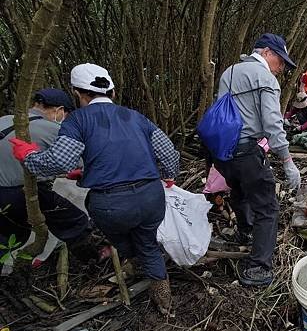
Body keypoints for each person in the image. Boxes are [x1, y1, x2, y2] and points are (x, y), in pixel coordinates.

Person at [10, 64, 180, 313]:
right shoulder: (136, 117)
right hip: (151, 197)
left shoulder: (77, 120)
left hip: (111, 206)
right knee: (148, 241)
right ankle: (163, 299)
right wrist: (166, 177)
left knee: (123, 237)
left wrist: (29, 157)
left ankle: (132, 258)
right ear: (112, 91)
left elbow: (58, 162)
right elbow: (169, 156)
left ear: (78, 94)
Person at [213, 33, 300, 287]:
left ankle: (246, 231)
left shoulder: (229, 72)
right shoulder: (265, 78)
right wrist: (286, 160)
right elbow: (272, 123)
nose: (282, 68)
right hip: (248, 151)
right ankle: (259, 267)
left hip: (223, 152)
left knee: (239, 192)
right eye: (280, 61)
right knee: (268, 208)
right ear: (266, 53)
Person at [0, 89, 93, 257]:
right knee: (74, 220)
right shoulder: (53, 128)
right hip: (15, 193)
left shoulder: (5, 120)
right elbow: (82, 161)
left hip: (6, 192)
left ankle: (11, 275)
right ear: (59, 110)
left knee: (9, 237)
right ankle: (92, 257)